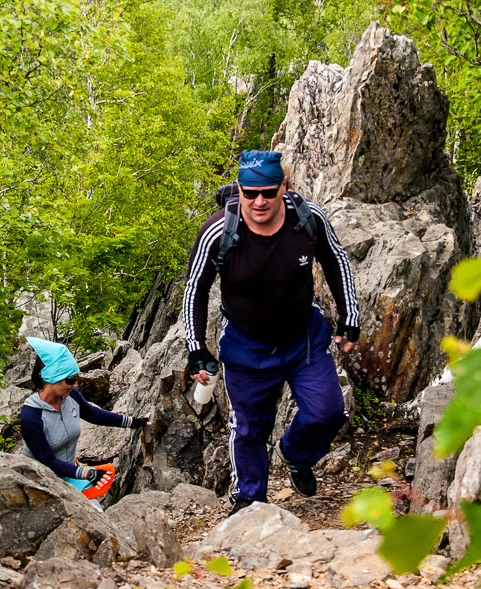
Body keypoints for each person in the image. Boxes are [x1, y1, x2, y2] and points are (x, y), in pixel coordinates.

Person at [181, 150, 360, 516]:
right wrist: (196, 348)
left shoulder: (308, 219)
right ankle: (249, 501)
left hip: (303, 339)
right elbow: (195, 288)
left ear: (284, 186)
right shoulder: (219, 230)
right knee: (248, 428)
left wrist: (349, 317)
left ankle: (295, 454)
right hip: (246, 345)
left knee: (327, 412)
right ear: (240, 191)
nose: (259, 201)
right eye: (250, 193)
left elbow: (336, 260)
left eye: (268, 191)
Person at [19, 337, 149, 507]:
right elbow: (48, 461)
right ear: (51, 378)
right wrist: (87, 473)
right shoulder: (31, 416)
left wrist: (134, 422)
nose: (76, 384)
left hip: (70, 473)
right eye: (71, 380)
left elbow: (94, 414)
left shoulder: (70, 397)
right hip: (41, 482)